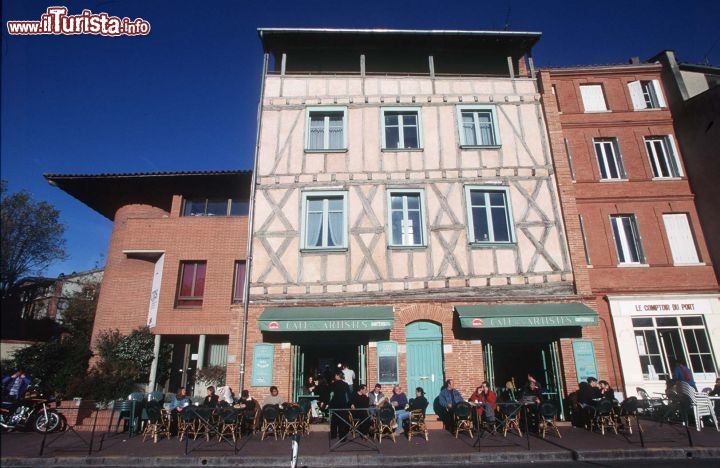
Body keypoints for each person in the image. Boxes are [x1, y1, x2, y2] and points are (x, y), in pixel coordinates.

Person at [329, 371, 351, 439]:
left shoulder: (333, 384)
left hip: (335, 404)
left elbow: (331, 394)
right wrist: (349, 404)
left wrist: (330, 403)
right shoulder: (345, 384)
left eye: (335, 375)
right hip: (343, 404)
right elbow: (348, 395)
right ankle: (343, 437)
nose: (335, 376)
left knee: (334, 420)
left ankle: (333, 435)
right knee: (342, 421)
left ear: (338, 376)